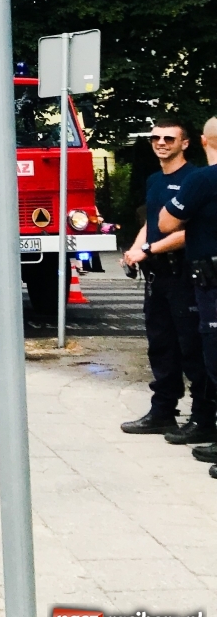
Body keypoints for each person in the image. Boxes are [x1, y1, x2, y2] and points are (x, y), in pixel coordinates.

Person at [121, 120, 214, 443]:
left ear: (186, 144)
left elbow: (191, 232)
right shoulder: (155, 180)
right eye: (156, 138)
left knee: (193, 349)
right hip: (156, 274)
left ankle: (203, 417)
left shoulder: (196, 179)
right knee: (161, 346)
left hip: (184, 274)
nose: (161, 143)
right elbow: (152, 222)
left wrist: (149, 248)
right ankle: (162, 411)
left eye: (169, 138)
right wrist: (135, 249)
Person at [158, 116, 217, 479]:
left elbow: (166, 223)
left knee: (214, 355)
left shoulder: (202, 179)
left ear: (203, 141)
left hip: (211, 280)